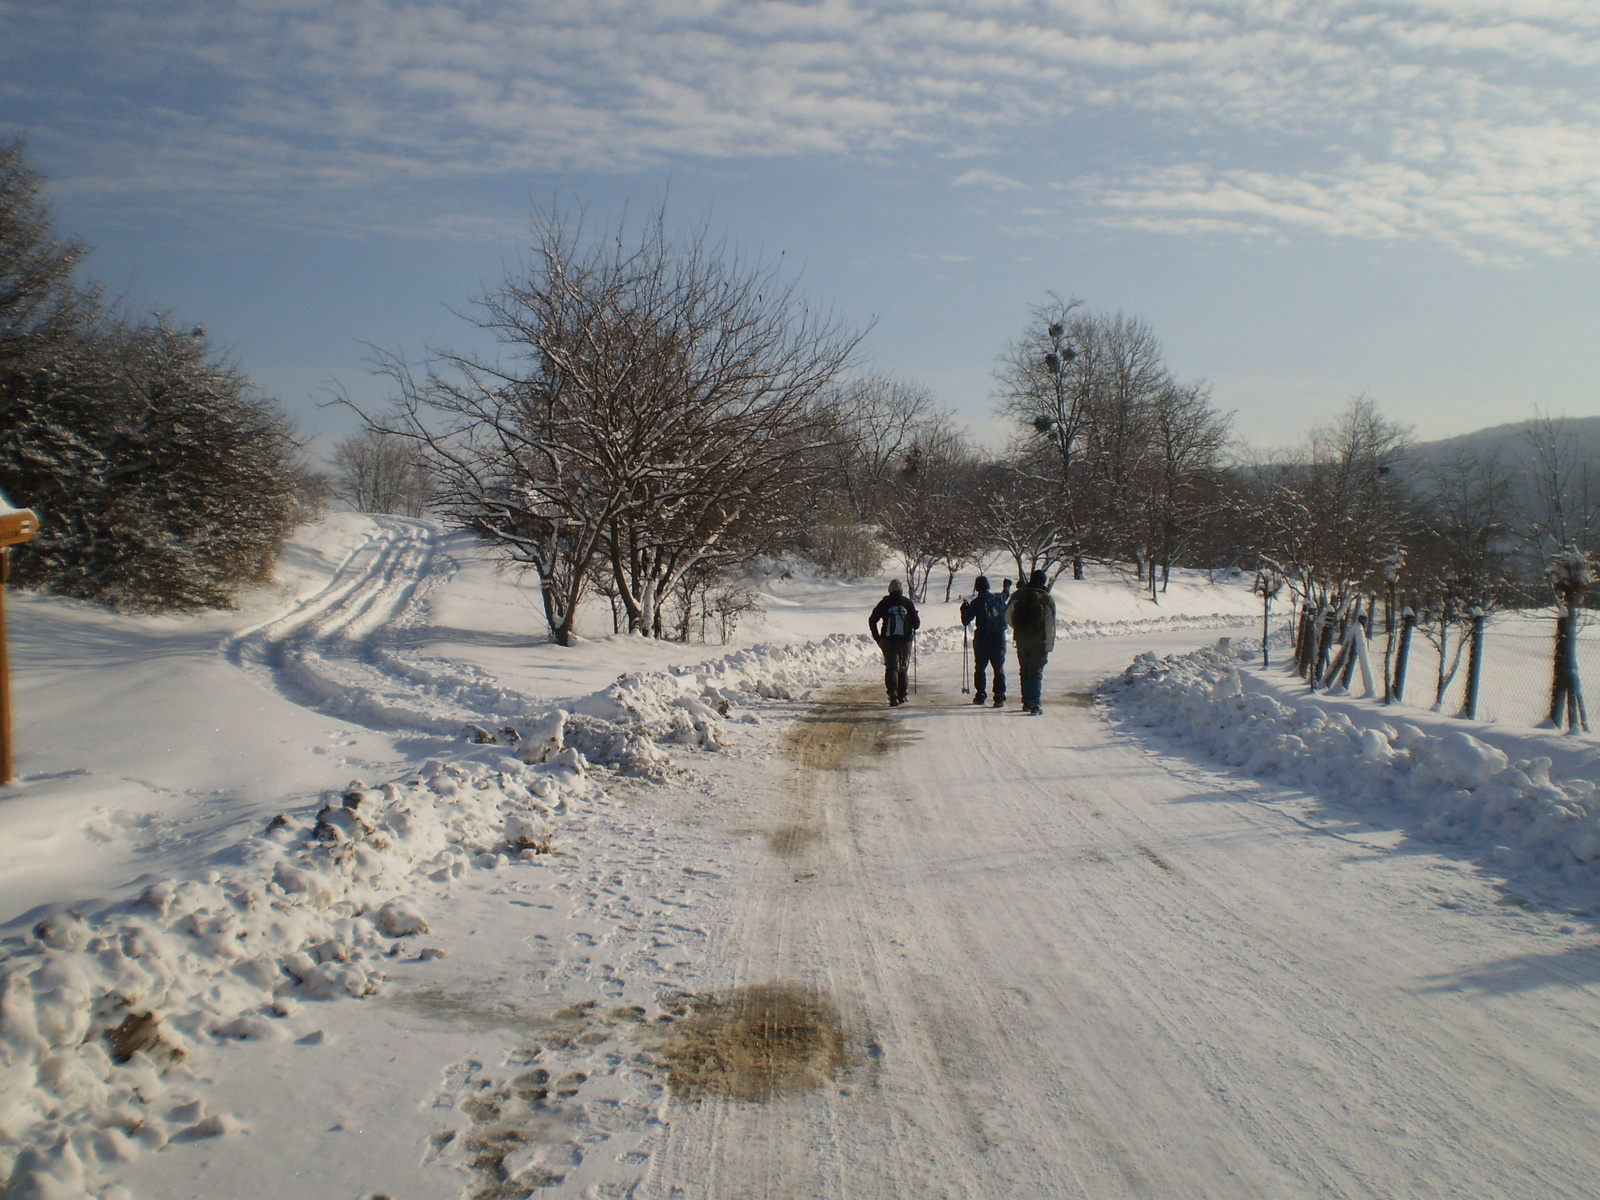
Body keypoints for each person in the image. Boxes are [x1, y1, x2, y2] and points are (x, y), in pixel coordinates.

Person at [1006, 568, 1057, 715]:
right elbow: (1050, 624)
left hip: (1021, 638)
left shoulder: (1018, 594)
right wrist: (1049, 645)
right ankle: (1035, 703)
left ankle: (1026, 702)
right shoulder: (1046, 598)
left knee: (1024, 669)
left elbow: (1007, 614)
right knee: (1036, 670)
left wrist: (1017, 627)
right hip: (1038, 640)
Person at [869, 579, 921, 707]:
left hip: (888, 640)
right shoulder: (907, 603)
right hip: (905, 640)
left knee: (891, 667)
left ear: (889, 590)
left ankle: (892, 694)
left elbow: (872, 620)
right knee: (902, 667)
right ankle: (902, 694)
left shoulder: (885, 602)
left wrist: (878, 638)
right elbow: (917, 624)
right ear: (901, 589)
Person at [959, 575, 1007, 707]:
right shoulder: (998, 598)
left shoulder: (977, 602)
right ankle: (999, 696)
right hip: (998, 637)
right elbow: (1005, 596)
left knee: (980, 667)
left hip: (982, 638)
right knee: (999, 668)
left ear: (977, 587)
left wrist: (964, 609)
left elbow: (966, 621)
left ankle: (980, 695)